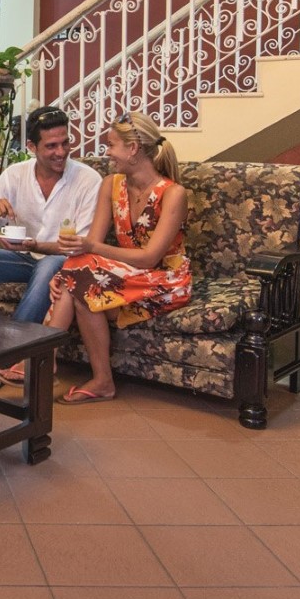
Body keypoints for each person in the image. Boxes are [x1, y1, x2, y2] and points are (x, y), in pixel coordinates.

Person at [45, 110, 191, 404]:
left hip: (164, 280)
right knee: (77, 281)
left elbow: (150, 258)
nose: (107, 153)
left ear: (133, 149)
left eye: (111, 145)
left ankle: (42, 363)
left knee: (81, 284)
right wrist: (62, 274)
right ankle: (71, 372)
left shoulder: (173, 194)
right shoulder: (111, 184)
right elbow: (92, 244)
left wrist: (86, 253)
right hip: (124, 275)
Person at [0, 105, 102, 334]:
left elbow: (82, 245)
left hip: (62, 261)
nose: (61, 152)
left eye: (65, 143)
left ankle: (13, 347)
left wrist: (37, 246)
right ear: (31, 146)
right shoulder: (15, 175)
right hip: (22, 260)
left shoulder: (88, 180)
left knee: (50, 263)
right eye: (51, 146)